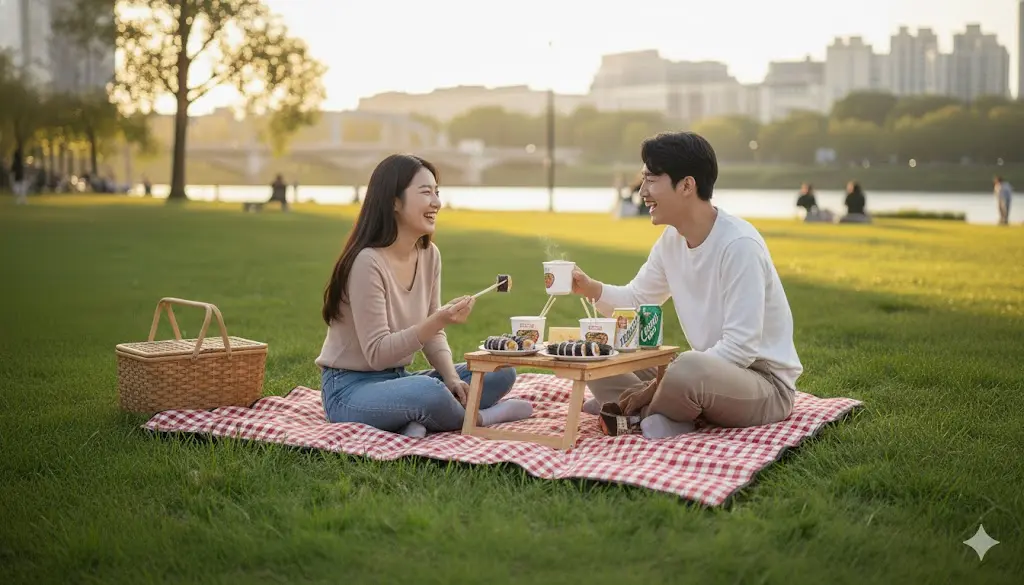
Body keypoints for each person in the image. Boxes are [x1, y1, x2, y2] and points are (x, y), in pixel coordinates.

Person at [570, 132, 802, 439]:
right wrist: (590, 287)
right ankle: (662, 413)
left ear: (687, 185)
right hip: (706, 374)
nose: (642, 191)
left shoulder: (739, 245)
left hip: (763, 384)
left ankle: (635, 410)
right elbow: (637, 298)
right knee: (601, 356)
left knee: (686, 368)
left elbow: (741, 348)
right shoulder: (671, 241)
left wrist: (659, 383)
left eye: (651, 180)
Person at [315, 154, 532, 438]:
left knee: (498, 371)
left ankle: (410, 420)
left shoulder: (429, 255)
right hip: (349, 389)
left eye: (437, 192)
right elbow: (378, 353)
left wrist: (453, 380)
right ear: (394, 201)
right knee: (426, 391)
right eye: (426, 192)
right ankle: (480, 419)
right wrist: (438, 320)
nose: (436, 202)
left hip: (397, 380)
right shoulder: (367, 262)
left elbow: (432, 336)